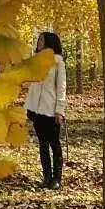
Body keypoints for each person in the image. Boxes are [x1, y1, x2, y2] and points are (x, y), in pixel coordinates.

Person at [25, 30, 66, 189]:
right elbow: (32, 85)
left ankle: (57, 179)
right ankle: (46, 177)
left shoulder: (58, 63)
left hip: (51, 109)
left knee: (54, 143)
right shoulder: (36, 61)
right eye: (38, 40)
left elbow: (61, 88)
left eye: (41, 40)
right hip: (36, 109)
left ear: (49, 42)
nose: (39, 42)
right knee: (42, 144)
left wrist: (60, 110)